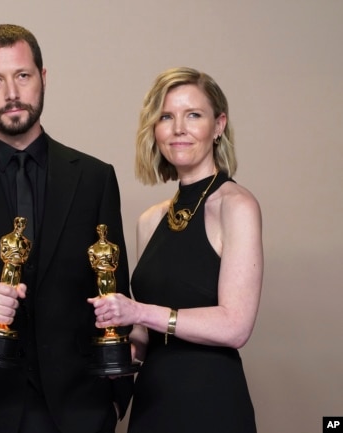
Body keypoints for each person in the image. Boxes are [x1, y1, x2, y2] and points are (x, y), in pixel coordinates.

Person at [0, 24, 132, 433]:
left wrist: (115, 397)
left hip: (77, 410)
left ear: (43, 78)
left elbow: (115, 289)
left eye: (23, 76)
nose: (11, 92)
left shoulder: (95, 177)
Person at [88, 67, 262, 432]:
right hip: (153, 402)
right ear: (155, 129)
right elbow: (144, 335)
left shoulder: (237, 205)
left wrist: (139, 311)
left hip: (212, 402)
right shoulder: (150, 220)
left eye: (193, 115)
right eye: (166, 117)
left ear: (218, 126)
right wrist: (114, 340)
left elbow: (236, 326)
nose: (178, 128)